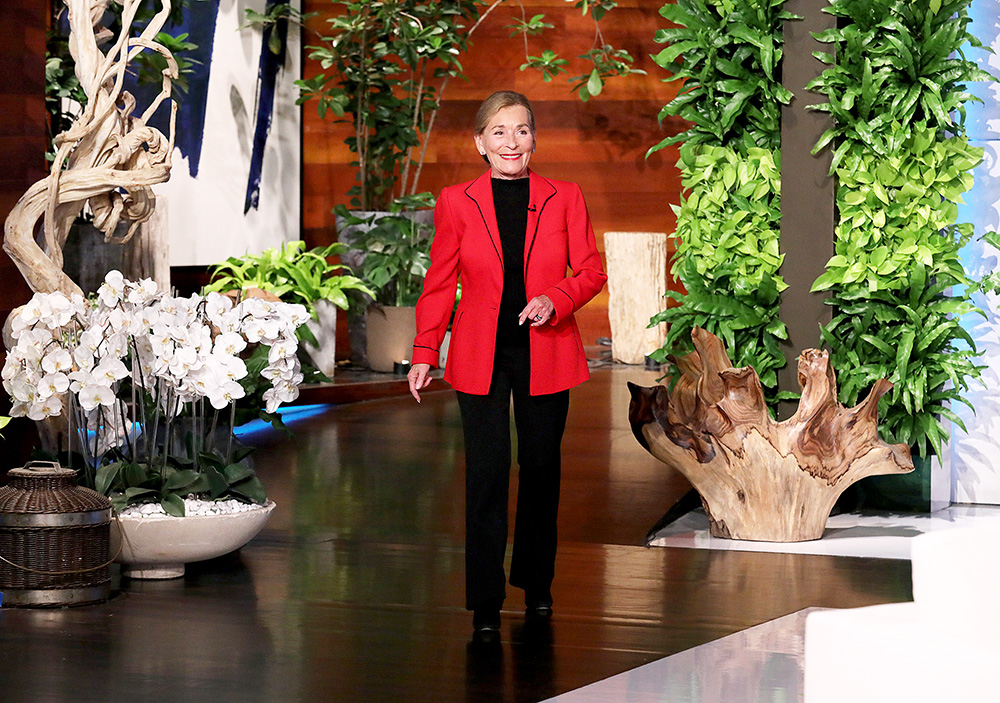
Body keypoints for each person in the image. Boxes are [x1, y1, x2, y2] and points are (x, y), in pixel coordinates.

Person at [407, 90, 607, 639]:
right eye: (498, 132)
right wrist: (426, 350)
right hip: (480, 354)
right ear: (480, 143)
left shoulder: (564, 196)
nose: (511, 142)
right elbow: (439, 283)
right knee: (488, 475)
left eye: (521, 130)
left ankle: (537, 584)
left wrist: (555, 299)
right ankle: (486, 600)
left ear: (534, 139)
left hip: (548, 349)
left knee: (542, 472)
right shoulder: (455, 200)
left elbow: (590, 271)